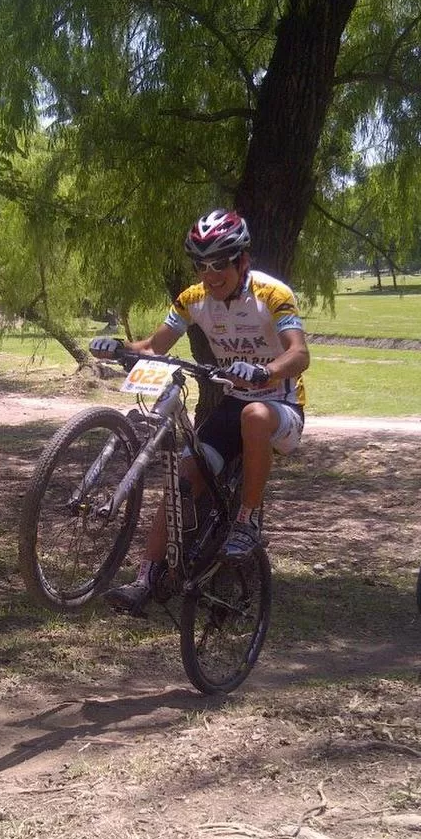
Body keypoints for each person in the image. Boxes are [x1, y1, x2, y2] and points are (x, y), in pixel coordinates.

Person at [89, 208, 310, 613]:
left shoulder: (273, 295)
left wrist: (266, 371)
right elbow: (154, 348)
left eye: (221, 263)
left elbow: (299, 353)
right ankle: (145, 579)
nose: (210, 274)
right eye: (201, 264)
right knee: (182, 477)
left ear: (242, 260)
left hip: (280, 407)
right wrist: (118, 346)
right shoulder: (193, 300)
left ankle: (245, 523)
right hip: (231, 406)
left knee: (254, 416)